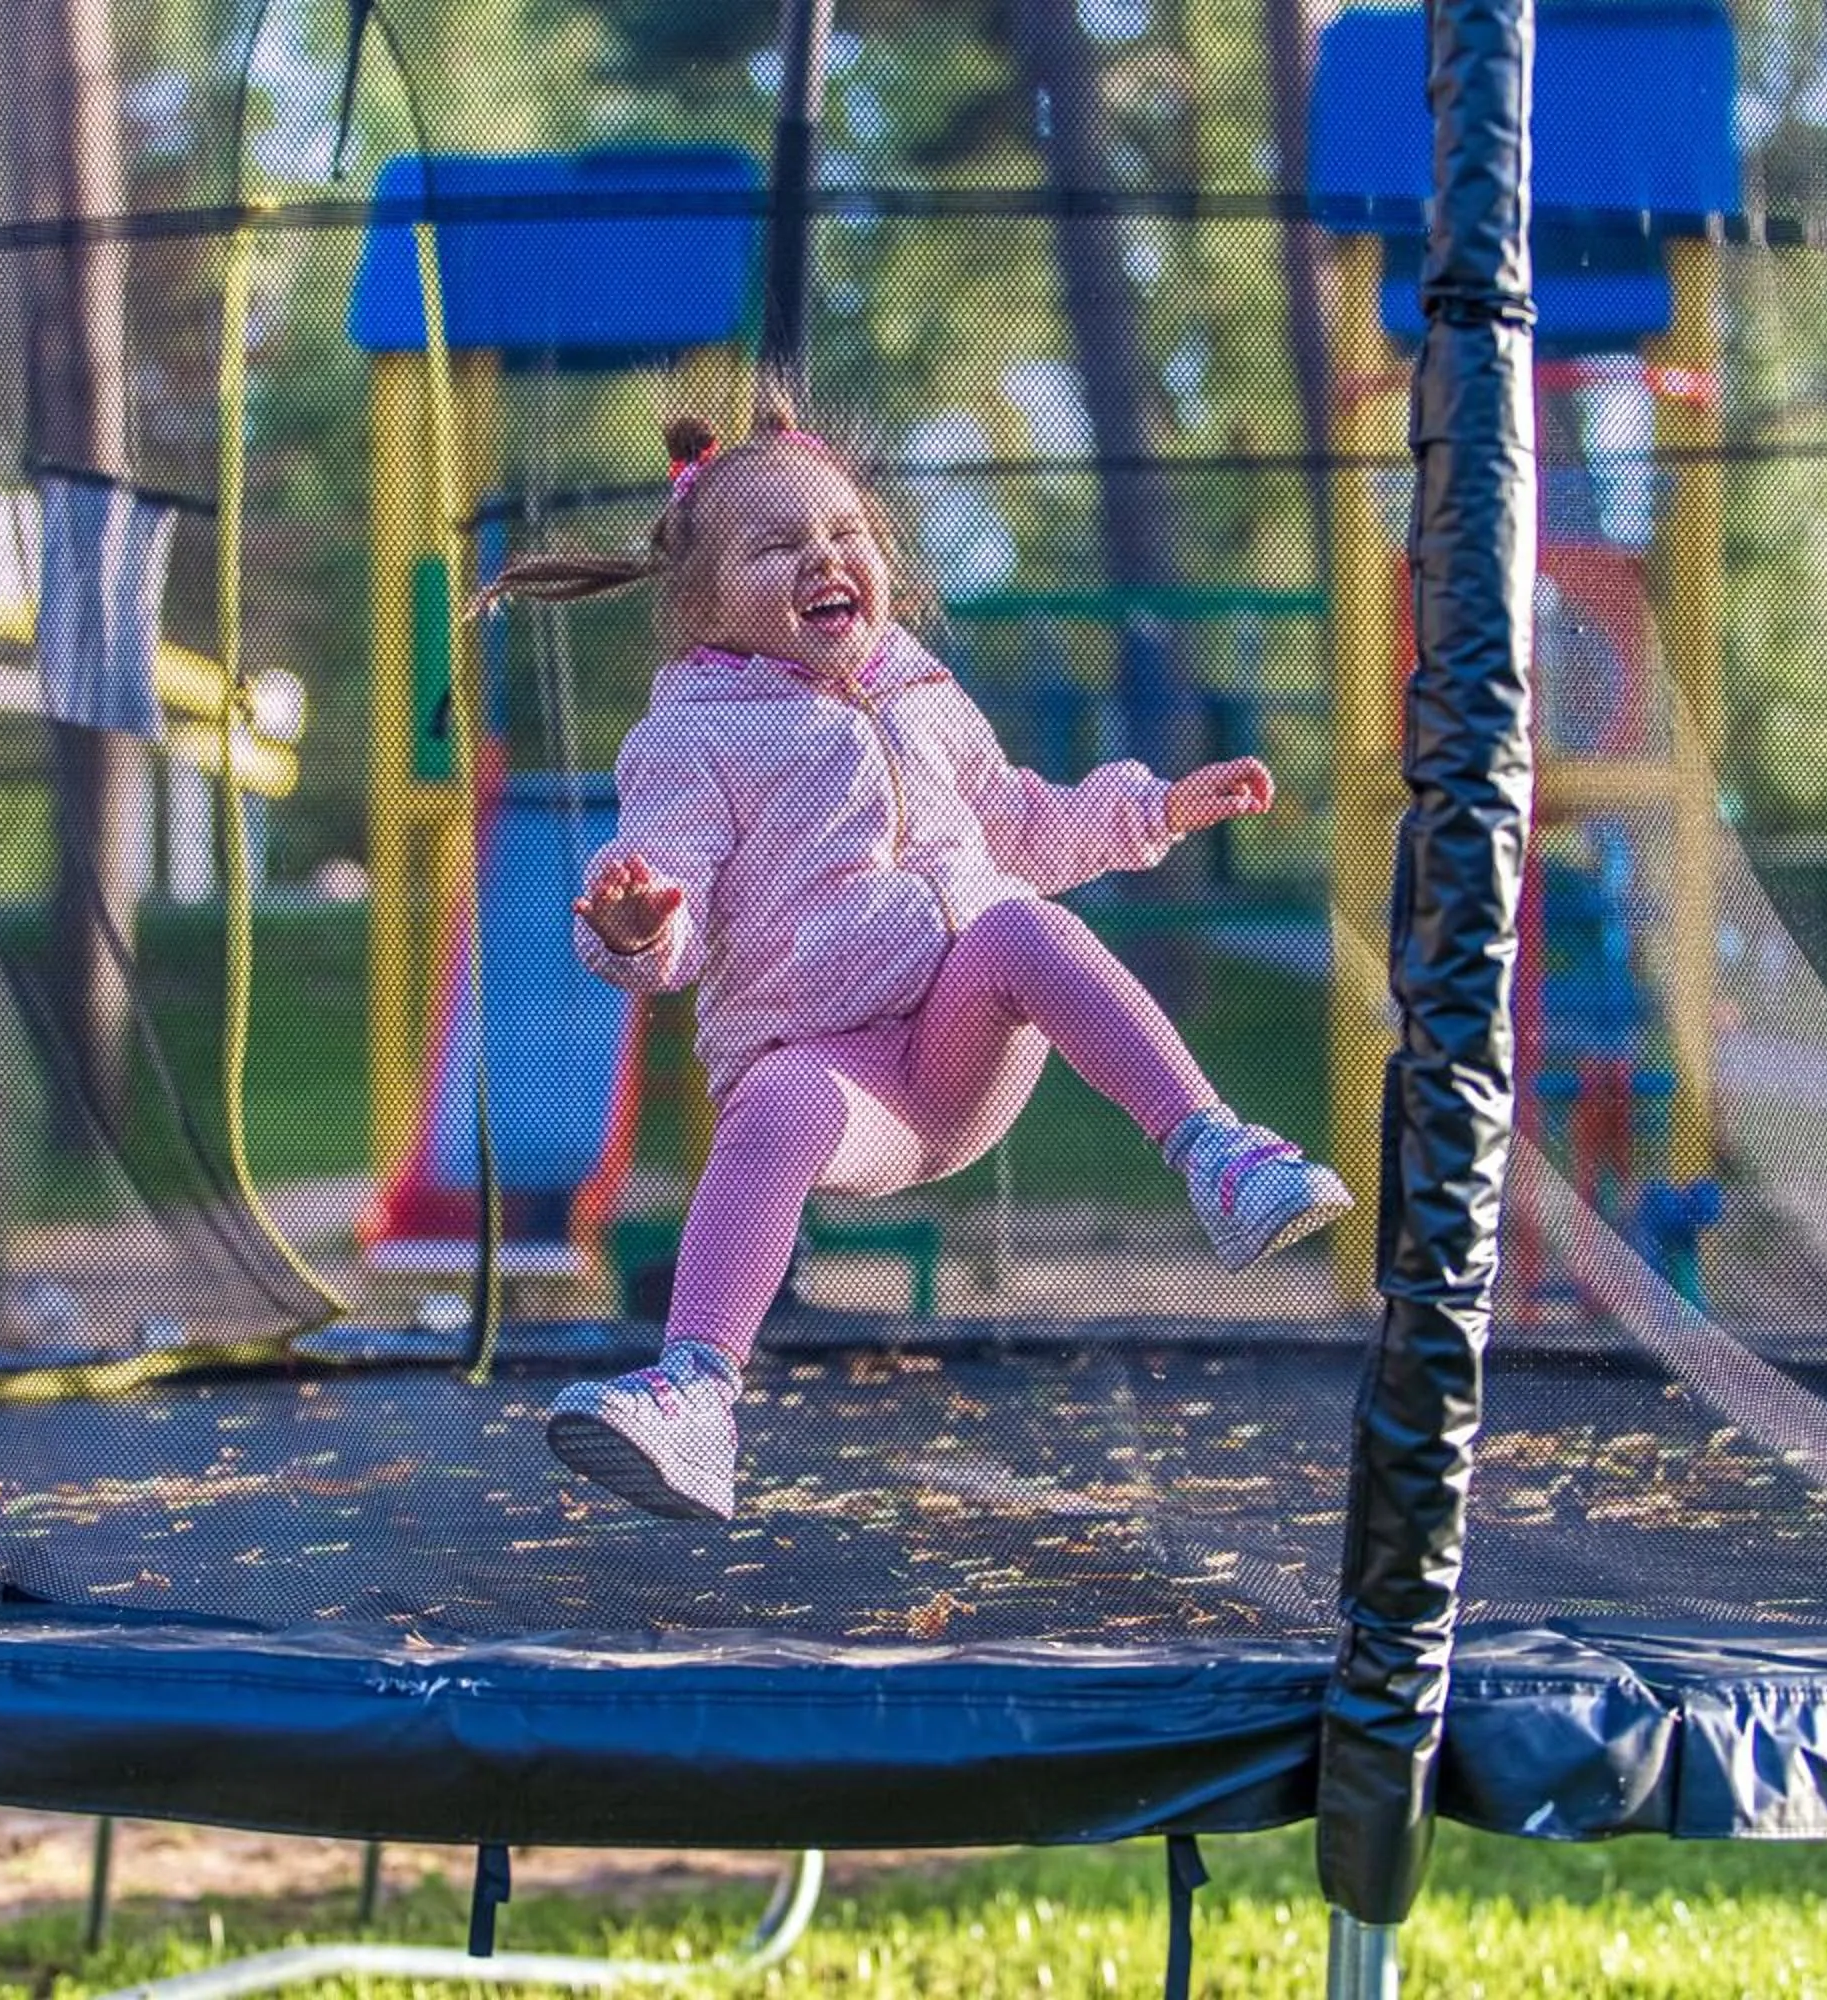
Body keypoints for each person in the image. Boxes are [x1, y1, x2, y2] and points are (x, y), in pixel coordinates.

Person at [471, 393, 1351, 1521]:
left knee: (1020, 922)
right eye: (778, 546)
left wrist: (1161, 808)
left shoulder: (925, 693)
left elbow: (1023, 824)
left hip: (961, 1041)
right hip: (844, 1083)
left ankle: (1218, 1158)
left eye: (845, 535)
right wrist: (640, 924)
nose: (824, 558)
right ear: (702, 609)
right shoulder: (693, 737)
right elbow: (669, 901)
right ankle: (695, 1394)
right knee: (775, 1098)